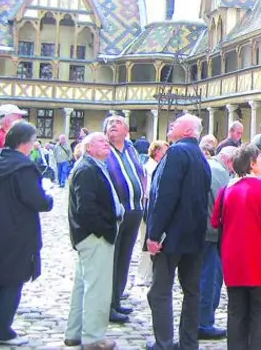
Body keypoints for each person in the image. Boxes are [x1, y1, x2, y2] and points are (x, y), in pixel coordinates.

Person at [146, 114, 212, 350]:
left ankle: (163, 343)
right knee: (192, 292)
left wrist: (154, 235)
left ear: (187, 131)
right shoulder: (201, 156)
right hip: (194, 237)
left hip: (171, 237)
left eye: (176, 123)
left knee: (160, 292)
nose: (171, 125)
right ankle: (188, 343)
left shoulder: (176, 153)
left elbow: (165, 196)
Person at [0, 121, 53, 346]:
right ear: (25, 143)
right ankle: (3, 330)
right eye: (33, 141)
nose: (34, 145)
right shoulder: (23, 167)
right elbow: (38, 201)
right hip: (16, 231)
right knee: (13, 281)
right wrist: (49, 197)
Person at [212, 143, 261, 350]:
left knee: (236, 313)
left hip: (234, 260)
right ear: (252, 163)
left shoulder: (226, 190)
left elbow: (216, 221)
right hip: (260, 260)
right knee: (260, 314)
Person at [65, 132, 123, 350]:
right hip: (94, 237)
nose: (106, 144)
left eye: (107, 141)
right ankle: (93, 338)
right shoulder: (88, 169)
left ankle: (75, 332)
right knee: (97, 289)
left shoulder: (93, 166)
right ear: (88, 148)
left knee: (83, 287)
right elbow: (85, 208)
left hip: (89, 236)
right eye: (101, 142)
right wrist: (105, 229)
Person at [103, 115, 145, 323]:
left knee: (125, 257)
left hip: (134, 210)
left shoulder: (131, 149)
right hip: (115, 213)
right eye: (110, 124)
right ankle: (108, 303)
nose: (113, 126)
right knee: (112, 257)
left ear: (126, 130)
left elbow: (140, 174)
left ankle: (117, 298)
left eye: (117, 123)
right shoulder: (104, 150)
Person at [198, 135, 230, 340]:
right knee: (210, 280)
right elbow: (224, 205)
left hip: (200, 230)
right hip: (211, 233)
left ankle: (200, 319)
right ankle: (204, 322)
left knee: (200, 278)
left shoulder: (207, 166)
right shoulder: (220, 172)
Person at [137, 140, 170, 288]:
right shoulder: (149, 168)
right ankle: (143, 274)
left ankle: (149, 273)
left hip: (152, 208)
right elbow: (148, 191)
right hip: (148, 209)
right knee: (145, 242)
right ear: (156, 152)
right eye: (164, 151)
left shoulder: (155, 166)